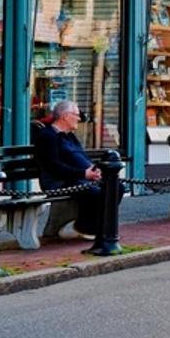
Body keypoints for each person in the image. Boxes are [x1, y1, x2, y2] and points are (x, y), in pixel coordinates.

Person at [32, 100, 122, 239]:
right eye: (77, 115)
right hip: (61, 181)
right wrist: (84, 174)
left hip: (80, 177)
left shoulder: (70, 136)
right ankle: (86, 227)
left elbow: (82, 157)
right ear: (65, 116)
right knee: (95, 192)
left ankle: (100, 224)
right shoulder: (48, 136)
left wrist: (94, 170)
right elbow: (53, 166)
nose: (79, 118)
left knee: (117, 186)